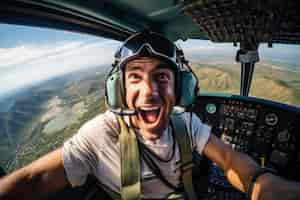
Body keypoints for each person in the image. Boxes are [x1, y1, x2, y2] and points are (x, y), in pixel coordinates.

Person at [0, 32, 300, 200]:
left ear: (179, 88)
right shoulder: (100, 134)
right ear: (119, 89)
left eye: (161, 77)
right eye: (135, 77)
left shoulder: (186, 123)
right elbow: (34, 179)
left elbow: (230, 159)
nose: (149, 91)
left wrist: (262, 184)